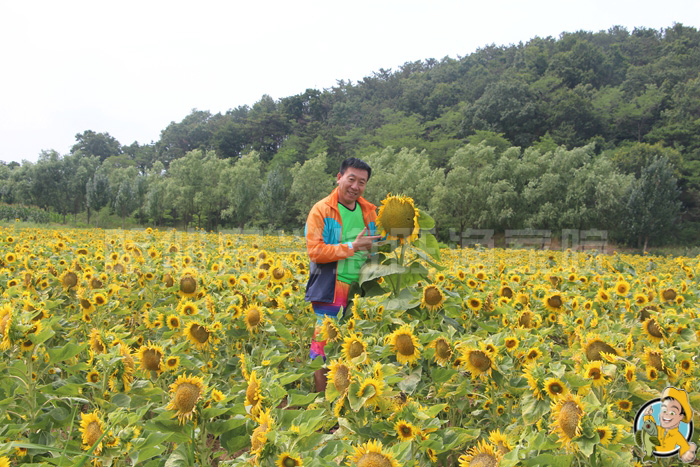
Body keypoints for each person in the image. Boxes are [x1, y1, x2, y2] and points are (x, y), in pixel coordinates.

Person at [304, 157, 380, 391]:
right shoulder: (322, 210)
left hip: (361, 289)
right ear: (339, 178)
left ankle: (347, 400)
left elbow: (377, 247)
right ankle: (321, 402)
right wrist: (351, 247)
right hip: (331, 288)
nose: (356, 186)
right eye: (351, 179)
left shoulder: (368, 212)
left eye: (362, 182)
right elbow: (315, 251)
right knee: (323, 346)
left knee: (354, 347)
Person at [643, 386, 697, 463]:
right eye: (664, 410)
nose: (666, 415)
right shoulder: (657, 429)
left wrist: (686, 453)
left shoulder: (677, 435)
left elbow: (684, 446)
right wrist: (647, 415)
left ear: (681, 416)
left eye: (672, 412)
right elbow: (650, 425)